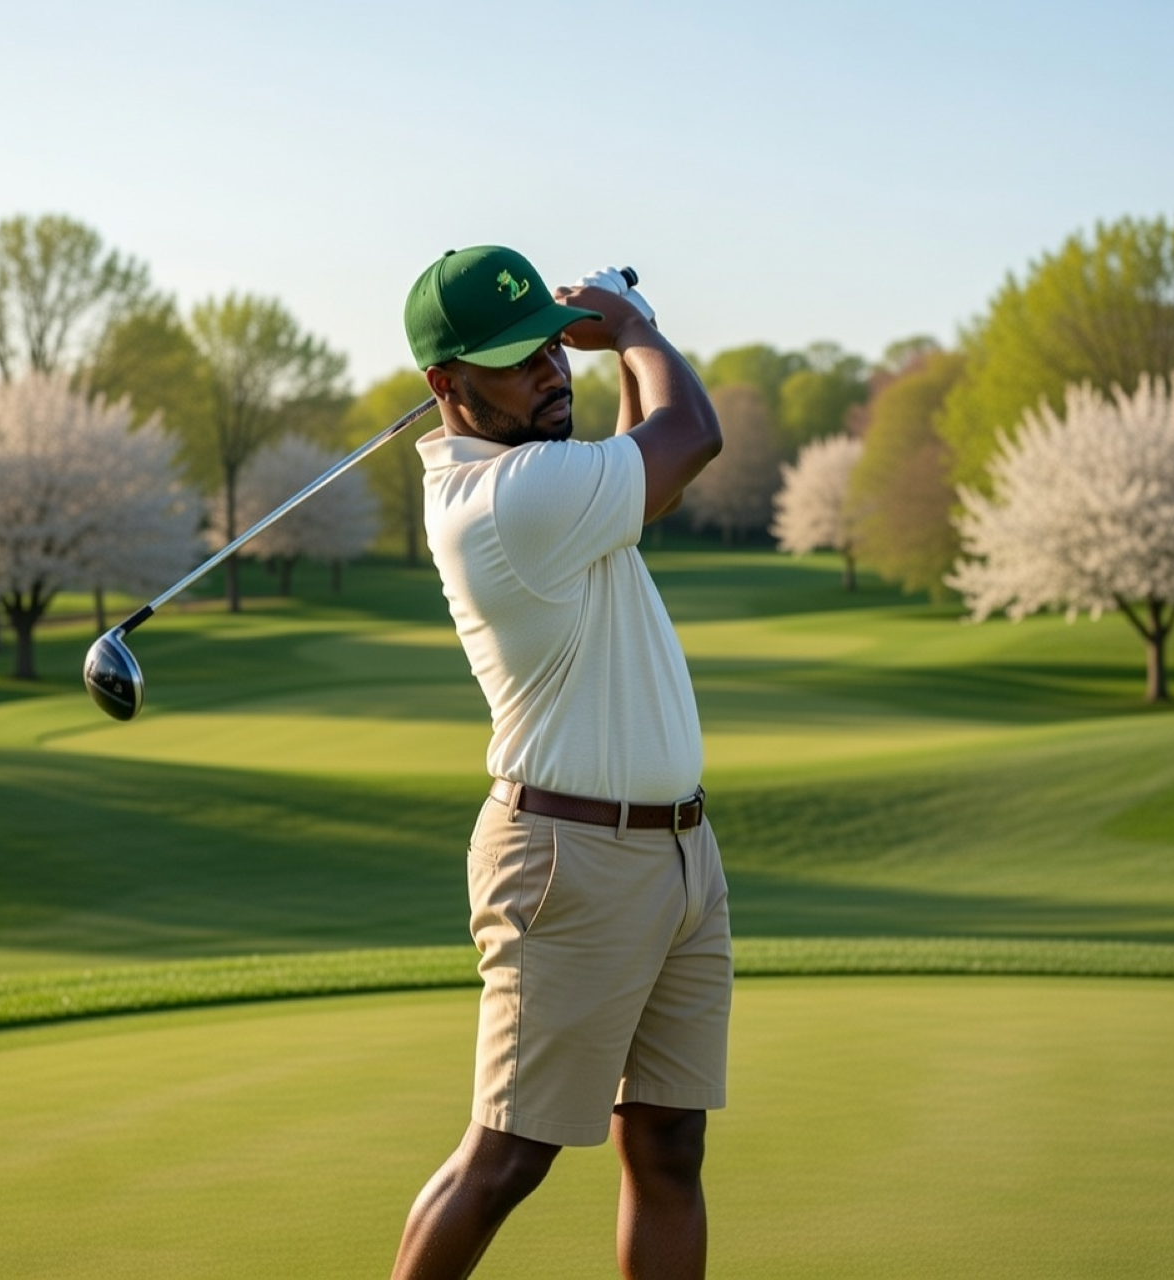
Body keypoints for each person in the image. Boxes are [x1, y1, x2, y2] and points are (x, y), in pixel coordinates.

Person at [391, 246, 732, 1280]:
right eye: (515, 358)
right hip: (566, 859)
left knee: (669, 1141)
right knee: (506, 1153)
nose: (549, 370)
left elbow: (639, 452)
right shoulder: (502, 500)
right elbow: (688, 437)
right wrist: (630, 329)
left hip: (678, 852)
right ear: (444, 386)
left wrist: (624, 344)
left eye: (551, 345)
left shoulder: (554, 480)